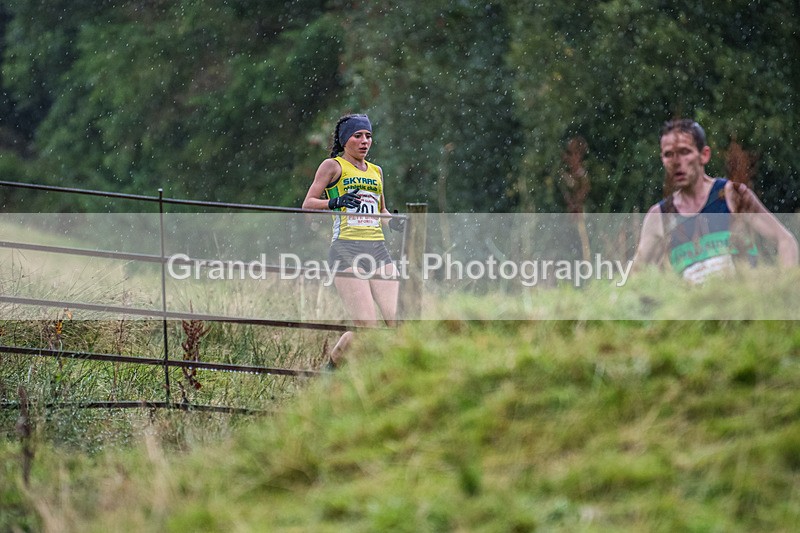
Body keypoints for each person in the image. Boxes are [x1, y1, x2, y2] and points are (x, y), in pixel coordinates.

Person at [633, 119, 798, 283]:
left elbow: (785, 241)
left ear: (704, 155)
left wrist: (784, 292)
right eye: (669, 154)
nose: (677, 162)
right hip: (692, 307)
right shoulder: (660, 216)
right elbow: (635, 278)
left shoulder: (732, 196)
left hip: (744, 303)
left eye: (684, 152)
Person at [302, 113, 404, 369]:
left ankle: (392, 378)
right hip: (346, 248)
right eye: (358, 135)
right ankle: (331, 371)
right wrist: (333, 202)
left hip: (378, 249)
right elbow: (307, 205)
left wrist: (394, 222)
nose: (364, 141)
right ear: (345, 139)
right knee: (367, 329)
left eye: (368, 136)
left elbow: (381, 211)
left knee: (399, 323)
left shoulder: (376, 171)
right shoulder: (332, 166)